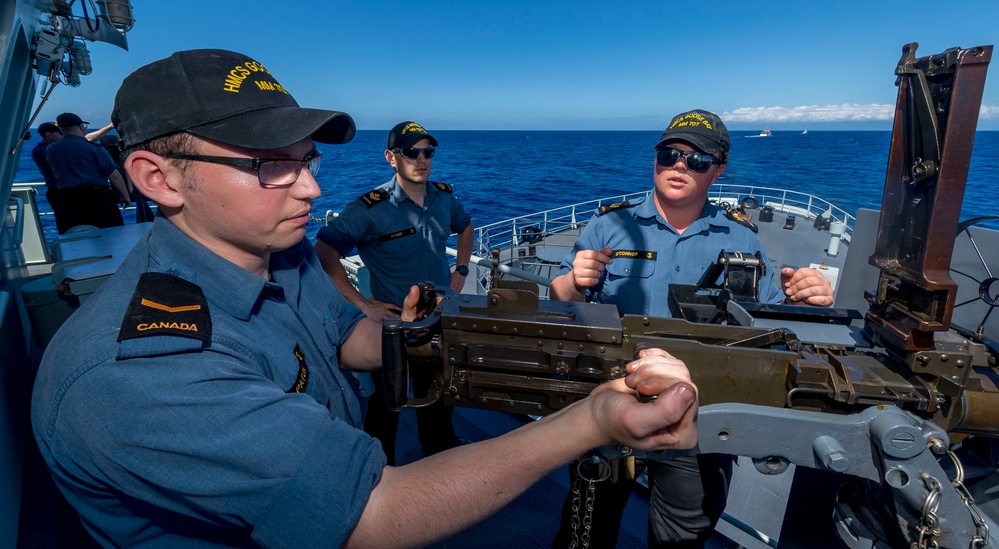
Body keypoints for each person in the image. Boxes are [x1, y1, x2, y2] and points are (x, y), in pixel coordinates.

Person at [31, 48, 700, 548]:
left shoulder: (273, 252)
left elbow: (346, 334)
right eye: (270, 165)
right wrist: (590, 422)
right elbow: (375, 512)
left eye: (308, 160)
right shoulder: (141, 372)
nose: (310, 190)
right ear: (158, 177)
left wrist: (418, 333)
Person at [549, 109, 833, 548]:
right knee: (585, 527)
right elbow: (563, 303)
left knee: (683, 535)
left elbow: (772, 322)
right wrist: (571, 281)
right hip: (614, 400)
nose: (680, 166)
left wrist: (804, 301)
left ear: (717, 170)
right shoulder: (609, 226)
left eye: (697, 160)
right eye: (670, 154)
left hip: (702, 415)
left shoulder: (742, 240)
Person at [314, 120, 474, 464]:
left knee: (439, 395)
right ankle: (380, 468)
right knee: (389, 404)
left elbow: (465, 226)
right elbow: (325, 250)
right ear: (391, 157)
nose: (421, 159)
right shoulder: (371, 209)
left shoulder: (444, 198)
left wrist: (461, 271)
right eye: (411, 152)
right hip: (396, 323)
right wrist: (360, 303)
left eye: (427, 152)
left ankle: (439, 453)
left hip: (441, 317)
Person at [45, 112, 130, 233]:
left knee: (74, 234)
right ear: (80, 126)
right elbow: (114, 175)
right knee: (110, 234)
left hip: (67, 199)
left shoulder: (51, 149)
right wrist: (125, 195)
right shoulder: (93, 148)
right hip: (96, 199)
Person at [31, 121, 117, 234]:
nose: (65, 135)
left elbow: (84, 139)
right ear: (48, 134)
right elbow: (85, 141)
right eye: (60, 132)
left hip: (72, 193)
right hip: (62, 193)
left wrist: (109, 127)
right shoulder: (44, 150)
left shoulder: (59, 146)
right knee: (71, 229)